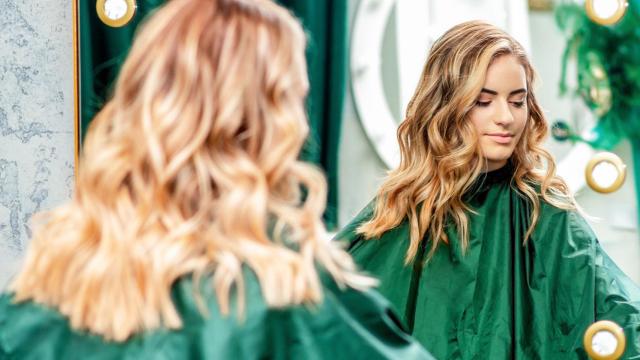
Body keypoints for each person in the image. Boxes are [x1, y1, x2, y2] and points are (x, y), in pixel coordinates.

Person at [0, 0, 433, 359]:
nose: (302, 125)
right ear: (267, 124)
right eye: (294, 100)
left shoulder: (35, 300)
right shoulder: (292, 299)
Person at [336, 20, 640, 359]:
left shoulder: (547, 215)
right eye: (483, 101)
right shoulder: (396, 214)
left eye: (517, 101)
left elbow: (622, 325)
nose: (505, 118)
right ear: (445, 107)